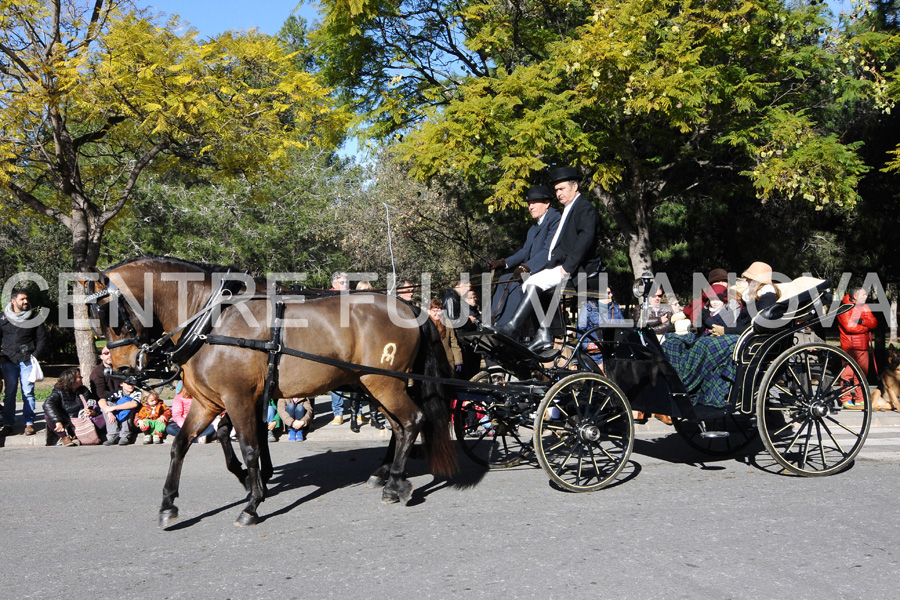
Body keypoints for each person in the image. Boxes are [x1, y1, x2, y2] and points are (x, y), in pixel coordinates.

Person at [494, 166, 602, 352]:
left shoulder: (584, 208)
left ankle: (513, 327)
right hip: (561, 266)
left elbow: (585, 240)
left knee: (533, 282)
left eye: (561, 189)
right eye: (556, 190)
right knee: (530, 282)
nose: (558, 194)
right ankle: (543, 333)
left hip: (580, 270)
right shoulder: (569, 209)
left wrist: (566, 267)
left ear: (574, 186)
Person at [662, 261, 780, 408]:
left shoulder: (767, 297)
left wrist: (725, 331)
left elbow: (757, 326)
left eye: (750, 278)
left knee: (706, 344)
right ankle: (673, 378)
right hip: (734, 333)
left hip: (746, 340)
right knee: (675, 341)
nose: (747, 281)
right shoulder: (750, 297)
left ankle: (684, 383)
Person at [488, 184, 561, 325]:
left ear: (547, 203)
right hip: (534, 269)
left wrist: (525, 267)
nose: (530, 207)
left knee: (515, 284)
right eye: (529, 203)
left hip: (549, 269)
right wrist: (504, 262)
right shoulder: (534, 227)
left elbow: (548, 251)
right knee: (503, 279)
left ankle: (507, 326)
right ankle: (491, 321)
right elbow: (524, 251)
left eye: (534, 202)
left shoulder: (555, 220)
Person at [0, 288, 47, 436]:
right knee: (10, 393)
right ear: (13, 301)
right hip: (8, 361)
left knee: (28, 392)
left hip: (27, 360)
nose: (26, 301)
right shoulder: (2, 318)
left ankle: (29, 423)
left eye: (27, 299)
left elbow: (42, 338)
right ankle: (8, 423)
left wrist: (35, 355)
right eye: (22, 299)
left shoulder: (34, 317)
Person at [838, 286, 878, 408]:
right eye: (863, 295)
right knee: (847, 375)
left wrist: (861, 321)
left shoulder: (865, 307)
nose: (866, 297)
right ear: (855, 296)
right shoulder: (845, 308)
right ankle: (845, 399)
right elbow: (849, 327)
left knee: (861, 374)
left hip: (863, 346)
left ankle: (860, 399)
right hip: (850, 347)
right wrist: (866, 327)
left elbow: (874, 323)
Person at [42, 368, 98, 447]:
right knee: (48, 416)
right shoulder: (59, 391)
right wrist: (57, 421)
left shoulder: (84, 390)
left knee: (105, 416)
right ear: (72, 380)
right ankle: (64, 437)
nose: (81, 378)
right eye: (79, 377)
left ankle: (78, 436)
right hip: (67, 421)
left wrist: (93, 411)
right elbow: (47, 404)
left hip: (82, 420)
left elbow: (94, 402)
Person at [577, 287, 625, 366]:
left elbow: (623, 329)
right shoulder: (587, 308)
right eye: (608, 293)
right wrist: (589, 345)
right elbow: (580, 332)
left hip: (613, 355)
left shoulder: (615, 308)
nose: (611, 295)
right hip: (595, 356)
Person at [329, 271, 350, 425]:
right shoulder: (328, 298)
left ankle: (359, 412)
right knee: (336, 379)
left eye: (347, 282)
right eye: (342, 282)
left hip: (350, 340)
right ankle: (338, 412)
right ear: (334, 284)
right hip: (334, 342)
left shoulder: (351, 297)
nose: (346, 285)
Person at [101, 377, 143, 445]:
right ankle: (113, 435)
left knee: (128, 406)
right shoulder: (118, 392)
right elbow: (101, 401)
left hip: (134, 421)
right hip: (119, 418)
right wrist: (108, 412)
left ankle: (125, 435)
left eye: (132, 384)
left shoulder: (137, 392)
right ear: (121, 384)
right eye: (128, 384)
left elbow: (134, 404)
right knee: (108, 404)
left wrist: (114, 408)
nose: (130, 386)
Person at [429, 299, 463, 373]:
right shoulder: (426, 325)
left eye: (439, 310)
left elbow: (454, 344)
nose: (437, 313)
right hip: (432, 364)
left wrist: (458, 363)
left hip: (448, 363)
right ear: (429, 311)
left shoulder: (447, 322)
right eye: (434, 311)